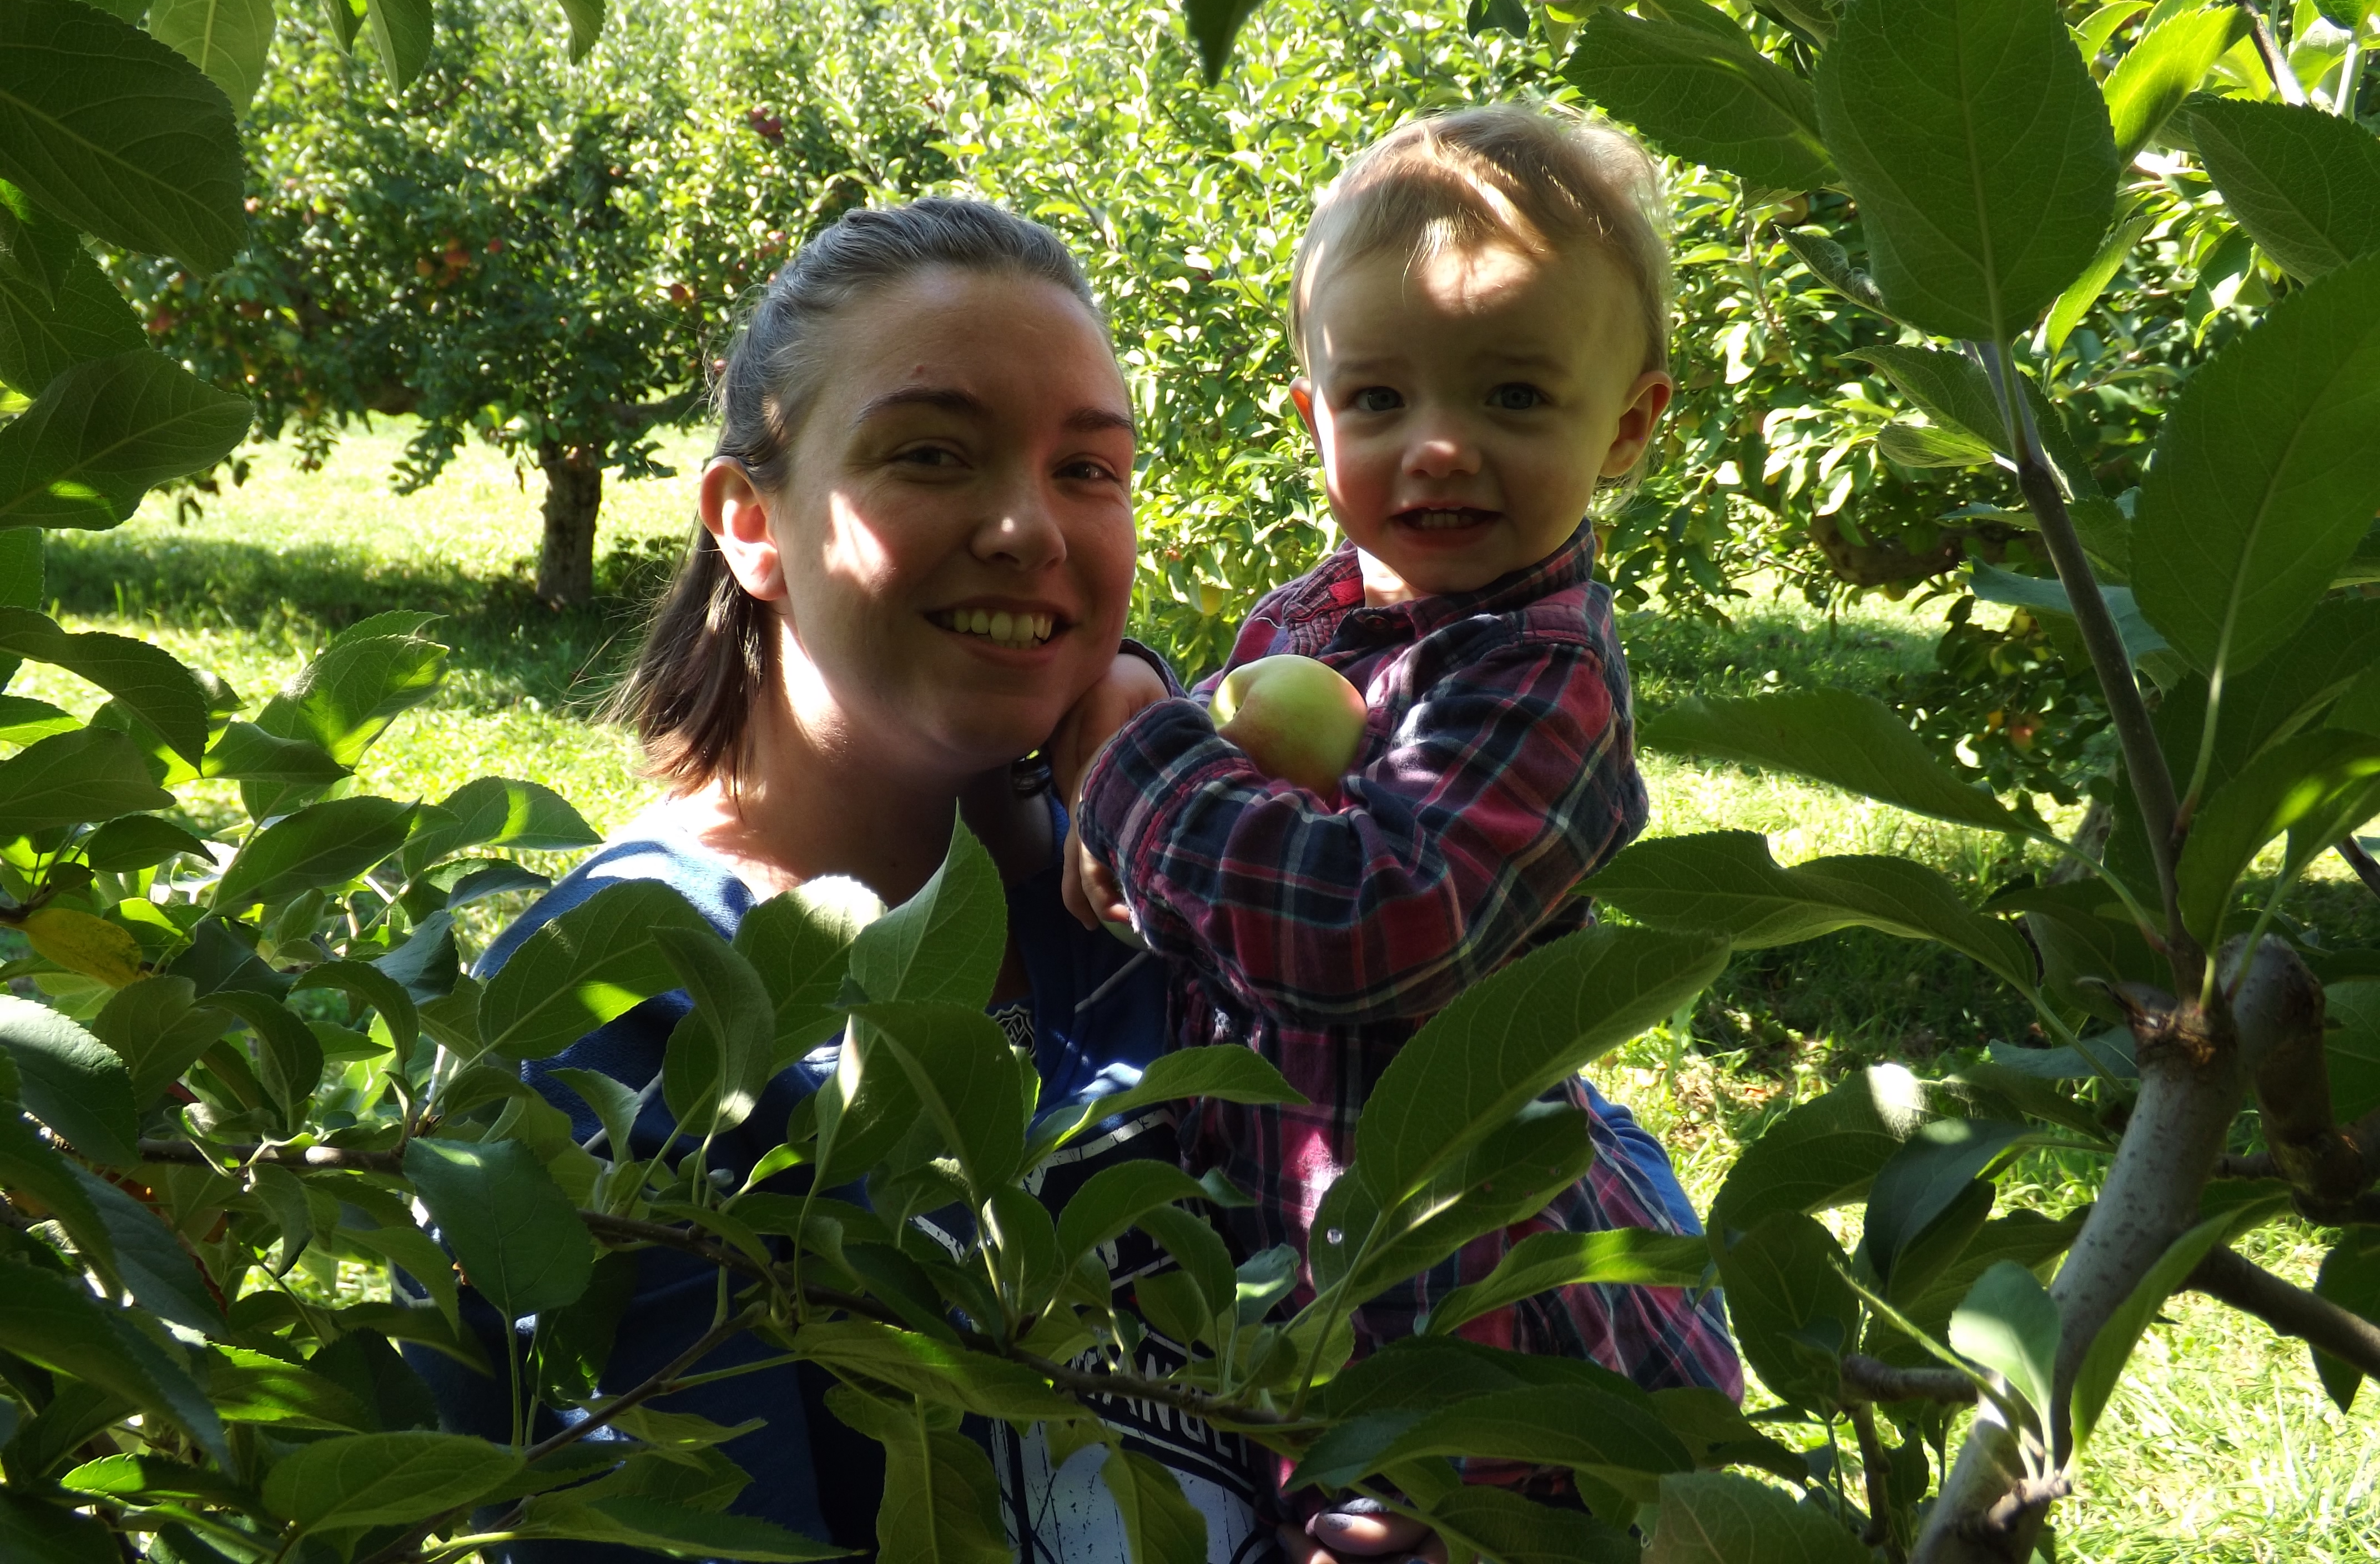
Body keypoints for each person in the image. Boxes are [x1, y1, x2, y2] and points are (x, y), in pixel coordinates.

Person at [421, 198, 1287, 1562]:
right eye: (932, 454)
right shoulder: (624, 999)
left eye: (1089, 472)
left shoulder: (1187, 893)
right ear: (749, 521)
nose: (1028, 528)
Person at [1065, 108, 1743, 1486]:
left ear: (1628, 425)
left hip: (1458, 1318)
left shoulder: (1540, 681)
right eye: (1378, 401)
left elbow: (1369, 927)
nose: (1434, 449)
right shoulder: (1306, 621)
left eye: (1511, 397)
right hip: (1288, 1256)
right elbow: (1229, 843)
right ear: (1314, 418)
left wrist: (1123, 769)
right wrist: (1136, 809)